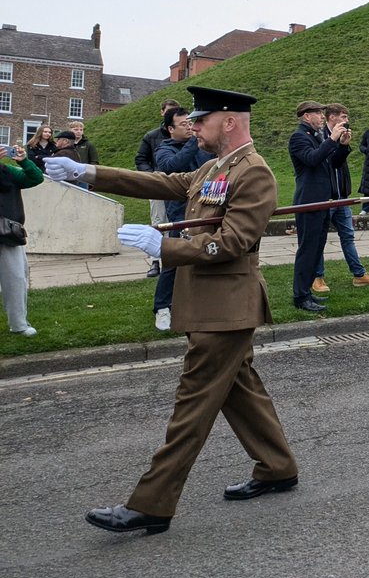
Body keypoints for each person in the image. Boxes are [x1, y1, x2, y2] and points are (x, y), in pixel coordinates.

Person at [47, 86, 300, 535]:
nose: (192, 126)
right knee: (241, 391)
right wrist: (86, 171)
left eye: (200, 119)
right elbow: (162, 183)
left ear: (228, 121)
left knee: (192, 406)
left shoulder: (254, 173)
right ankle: (278, 467)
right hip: (210, 305)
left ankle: (152, 504)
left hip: (226, 310)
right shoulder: (212, 167)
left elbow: (234, 242)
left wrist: (165, 246)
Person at [152, 107, 215, 331]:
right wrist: (192, 141)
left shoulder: (203, 147)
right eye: (184, 125)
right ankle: (162, 308)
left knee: (205, 255)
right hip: (180, 212)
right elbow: (172, 167)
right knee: (174, 260)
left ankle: (198, 304)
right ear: (170, 129)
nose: (190, 128)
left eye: (192, 123)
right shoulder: (164, 149)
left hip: (207, 208)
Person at [312, 104, 369, 293]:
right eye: (343, 116)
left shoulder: (340, 135)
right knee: (319, 239)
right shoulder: (319, 136)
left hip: (341, 196)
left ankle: (359, 274)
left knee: (348, 237)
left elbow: (337, 163)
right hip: (325, 197)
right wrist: (333, 140)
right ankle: (317, 277)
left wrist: (344, 145)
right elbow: (321, 161)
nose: (346, 120)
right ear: (332, 117)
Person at [289, 99, 348, 312]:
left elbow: (333, 163)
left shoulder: (317, 136)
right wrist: (331, 140)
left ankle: (306, 292)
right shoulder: (298, 138)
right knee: (308, 249)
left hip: (322, 200)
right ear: (307, 116)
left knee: (317, 249)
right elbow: (312, 159)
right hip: (308, 202)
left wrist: (341, 145)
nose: (322, 117)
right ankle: (300, 296)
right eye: (319, 114)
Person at [136, 98, 182, 278]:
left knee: (178, 221)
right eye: (169, 111)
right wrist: (152, 175)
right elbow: (141, 159)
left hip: (178, 183)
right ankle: (155, 261)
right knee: (158, 221)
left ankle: (173, 259)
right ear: (162, 113)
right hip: (158, 183)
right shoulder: (152, 136)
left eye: (175, 112)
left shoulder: (185, 135)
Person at [1, 143, 42, 336]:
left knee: (16, 278)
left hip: (8, 233)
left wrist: (24, 161)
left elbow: (35, 178)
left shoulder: (8, 172)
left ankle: (18, 324)